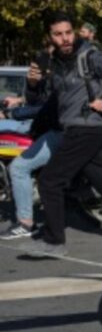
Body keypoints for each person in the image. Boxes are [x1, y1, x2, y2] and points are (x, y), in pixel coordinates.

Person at [24, 12, 102, 256]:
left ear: (74, 32)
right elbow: (43, 101)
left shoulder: (90, 57)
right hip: (76, 129)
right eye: (58, 34)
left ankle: (54, 241)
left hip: (88, 128)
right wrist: (32, 84)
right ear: (50, 36)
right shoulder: (54, 65)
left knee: (49, 180)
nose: (65, 38)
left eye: (68, 32)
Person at [0, 47, 61, 240]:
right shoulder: (48, 78)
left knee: (18, 168)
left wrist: (11, 113)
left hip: (53, 129)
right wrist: (32, 84)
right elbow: (36, 101)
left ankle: (25, 223)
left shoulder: (60, 78)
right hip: (45, 126)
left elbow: (44, 108)